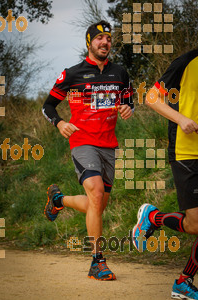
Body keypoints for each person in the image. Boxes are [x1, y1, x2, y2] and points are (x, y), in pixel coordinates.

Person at [42, 20, 134, 281]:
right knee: (95, 193)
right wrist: (59, 122)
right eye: (99, 39)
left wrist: (129, 108)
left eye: (108, 39)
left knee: (98, 204)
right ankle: (97, 261)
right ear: (89, 42)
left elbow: (128, 100)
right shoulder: (73, 73)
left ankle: (58, 200)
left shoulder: (120, 72)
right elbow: (48, 106)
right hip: (82, 141)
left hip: (108, 144)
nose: (105, 42)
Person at [132, 48, 198, 299]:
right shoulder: (186, 61)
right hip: (186, 152)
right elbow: (151, 97)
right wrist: (181, 119)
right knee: (195, 224)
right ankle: (153, 217)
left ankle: (184, 282)